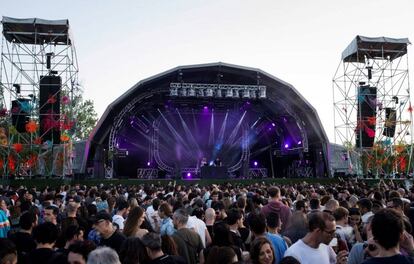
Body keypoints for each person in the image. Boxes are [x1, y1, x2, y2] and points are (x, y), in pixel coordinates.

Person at [284, 212, 348, 264]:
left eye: (334, 232)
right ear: (318, 231)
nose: (334, 236)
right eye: (330, 233)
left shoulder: (326, 246)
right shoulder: (293, 254)